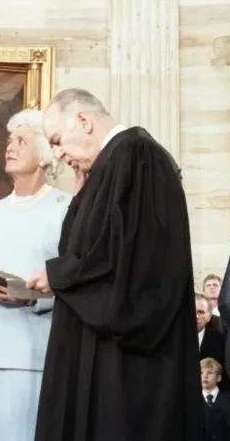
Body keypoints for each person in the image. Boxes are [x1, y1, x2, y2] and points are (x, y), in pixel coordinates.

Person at [28, 88, 202, 441]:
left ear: (84, 121)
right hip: (102, 353)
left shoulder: (137, 155)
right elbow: (88, 249)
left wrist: (60, 275)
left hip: (127, 367)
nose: (58, 156)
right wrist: (79, 200)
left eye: (58, 141)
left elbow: (134, 265)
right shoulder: (108, 167)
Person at [0, 109, 69, 441]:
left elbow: (74, 283)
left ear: (44, 155)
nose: (10, 147)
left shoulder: (66, 207)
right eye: (10, 140)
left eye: (21, 141)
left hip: (33, 350)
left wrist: (30, 296)